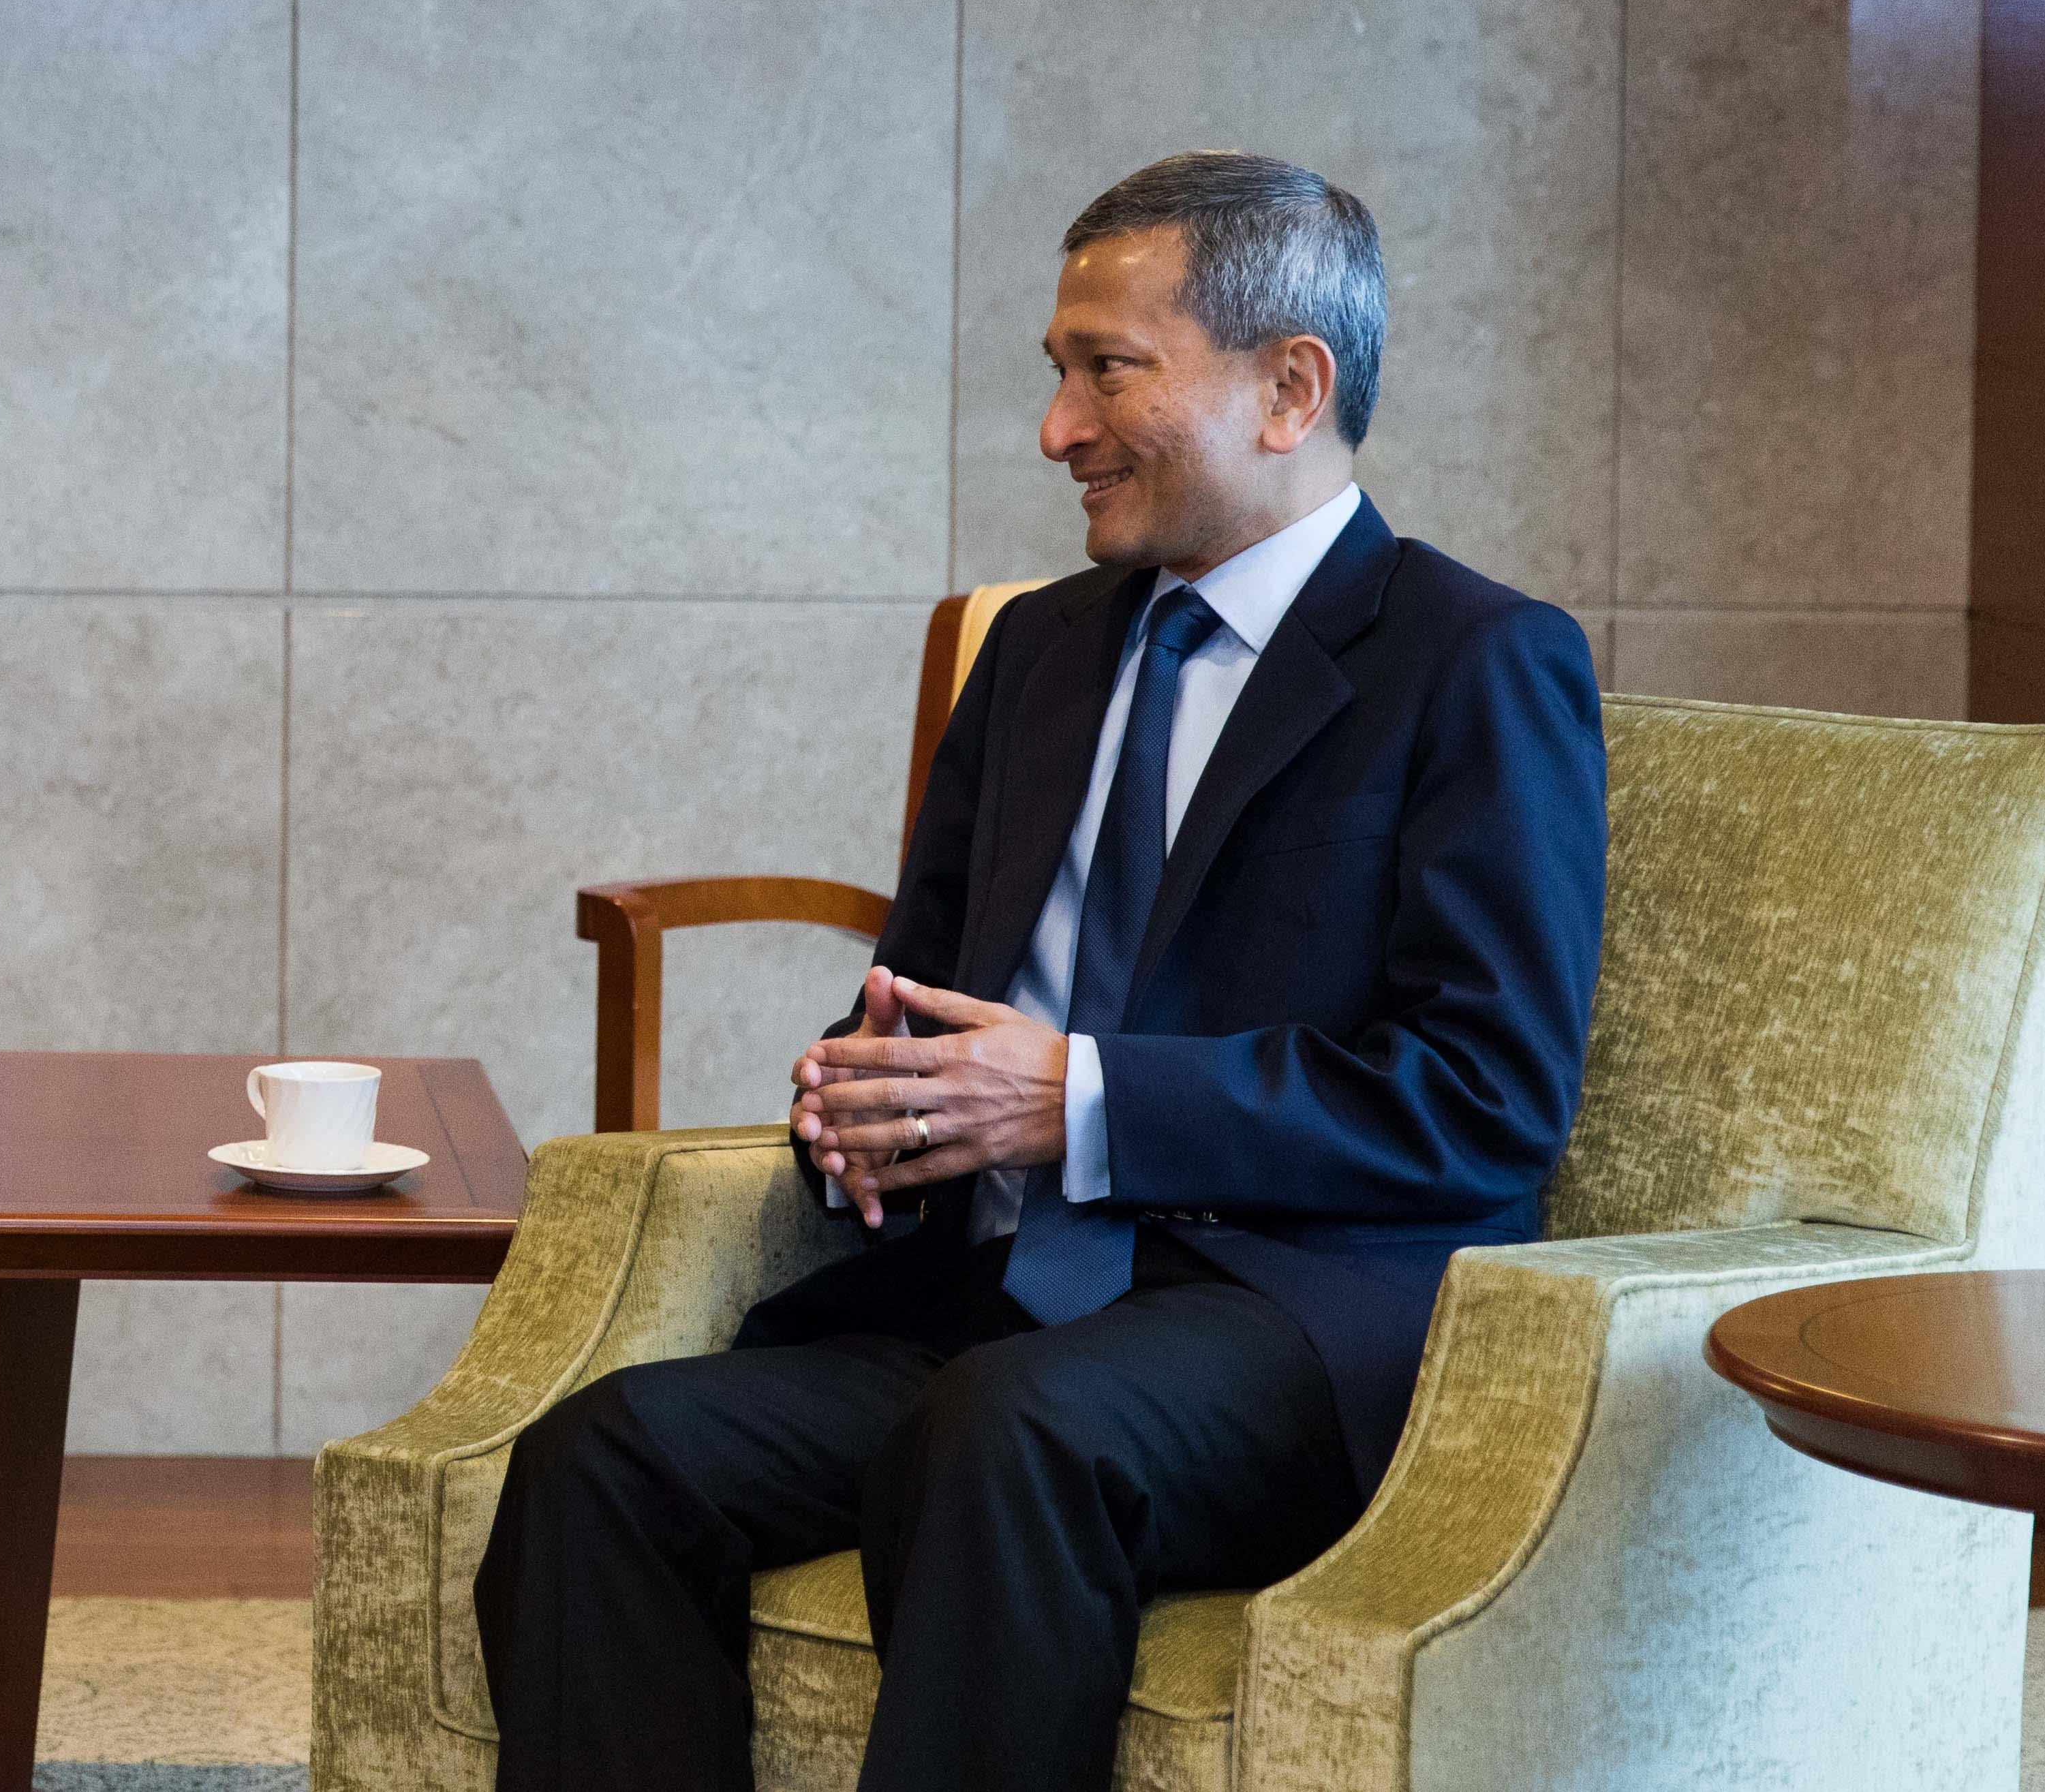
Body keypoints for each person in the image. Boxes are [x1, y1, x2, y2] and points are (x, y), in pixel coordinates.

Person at [474, 151, 1609, 1792]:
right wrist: (867, 1103)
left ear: (1288, 387)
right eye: (1055, 373)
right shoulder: (1042, 651)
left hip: (1286, 1320)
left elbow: (1485, 1098)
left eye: (1106, 370)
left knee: (1004, 1435)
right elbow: (924, 986)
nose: (1055, 429)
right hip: (989, 1305)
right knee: (610, 1451)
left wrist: (1067, 1096)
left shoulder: (1473, 661)